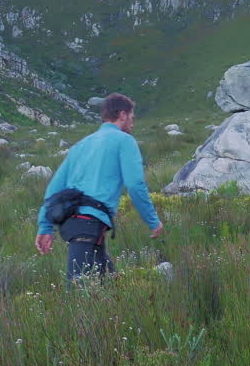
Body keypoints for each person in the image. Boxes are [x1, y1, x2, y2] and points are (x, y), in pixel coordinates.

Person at [34, 93, 164, 281]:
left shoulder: (81, 145)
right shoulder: (125, 141)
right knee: (79, 292)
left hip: (74, 223)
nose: (133, 124)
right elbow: (135, 184)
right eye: (132, 118)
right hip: (88, 224)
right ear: (122, 115)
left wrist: (45, 227)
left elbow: (53, 191)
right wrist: (153, 221)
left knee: (111, 288)